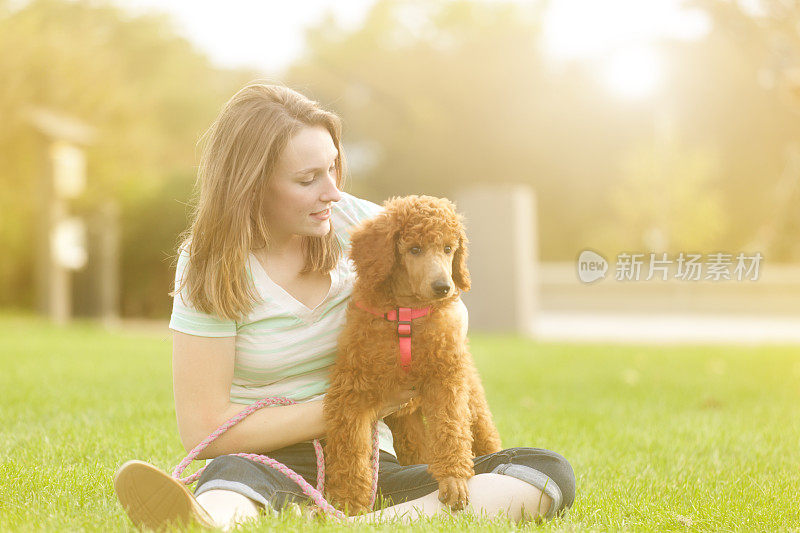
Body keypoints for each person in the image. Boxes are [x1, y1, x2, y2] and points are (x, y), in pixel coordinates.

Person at [114, 83, 576, 531]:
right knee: (232, 482)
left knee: (543, 471)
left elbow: (447, 302)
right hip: (264, 457)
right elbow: (203, 429)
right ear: (251, 183)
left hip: (372, 459)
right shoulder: (209, 265)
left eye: (333, 168)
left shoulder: (361, 224)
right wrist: (353, 404)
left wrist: (407, 366)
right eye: (307, 179)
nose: (332, 191)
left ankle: (365, 525)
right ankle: (207, 523)